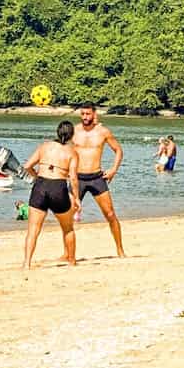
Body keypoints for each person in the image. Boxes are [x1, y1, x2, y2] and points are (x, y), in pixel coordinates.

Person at [21, 120, 80, 268]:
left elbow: (27, 166)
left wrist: (36, 176)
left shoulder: (44, 146)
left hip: (40, 186)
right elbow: (73, 178)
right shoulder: (72, 153)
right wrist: (77, 198)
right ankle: (72, 261)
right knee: (68, 228)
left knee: (33, 229)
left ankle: (27, 263)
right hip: (58, 187)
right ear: (72, 135)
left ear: (57, 132)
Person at [72, 102, 126, 257]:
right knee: (67, 217)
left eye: (88, 114)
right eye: (82, 114)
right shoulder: (74, 131)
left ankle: (120, 250)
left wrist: (113, 170)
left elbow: (118, 150)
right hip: (77, 178)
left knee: (110, 214)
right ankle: (68, 253)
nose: (85, 117)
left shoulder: (103, 132)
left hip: (96, 177)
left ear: (94, 114)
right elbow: (63, 149)